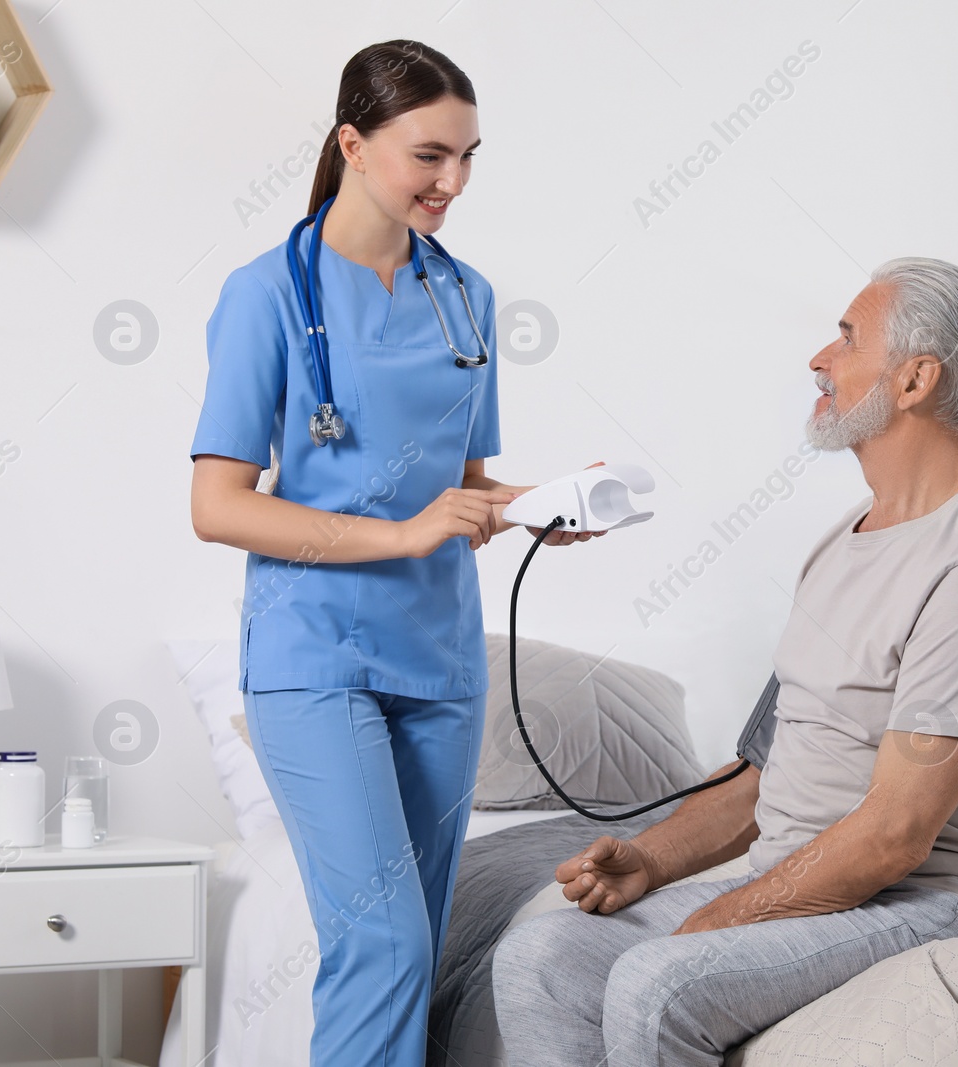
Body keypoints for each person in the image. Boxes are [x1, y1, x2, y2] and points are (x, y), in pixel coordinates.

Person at [492, 257, 958, 1066]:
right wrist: (651, 859)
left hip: (941, 899)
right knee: (540, 961)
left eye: (845, 337)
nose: (818, 361)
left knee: (659, 984)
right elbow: (764, 771)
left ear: (915, 381)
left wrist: (723, 920)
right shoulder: (847, 538)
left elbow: (898, 834)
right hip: (803, 875)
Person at [188, 39, 598, 1065]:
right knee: (380, 939)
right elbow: (218, 504)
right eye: (428, 155)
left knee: (416, 944)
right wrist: (405, 533)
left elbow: (464, 482)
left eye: (466, 156)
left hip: (441, 662)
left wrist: (543, 503)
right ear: (352, 144)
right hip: (315, 659)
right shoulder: (266, 293)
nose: (451, 182)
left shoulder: (466, 298)